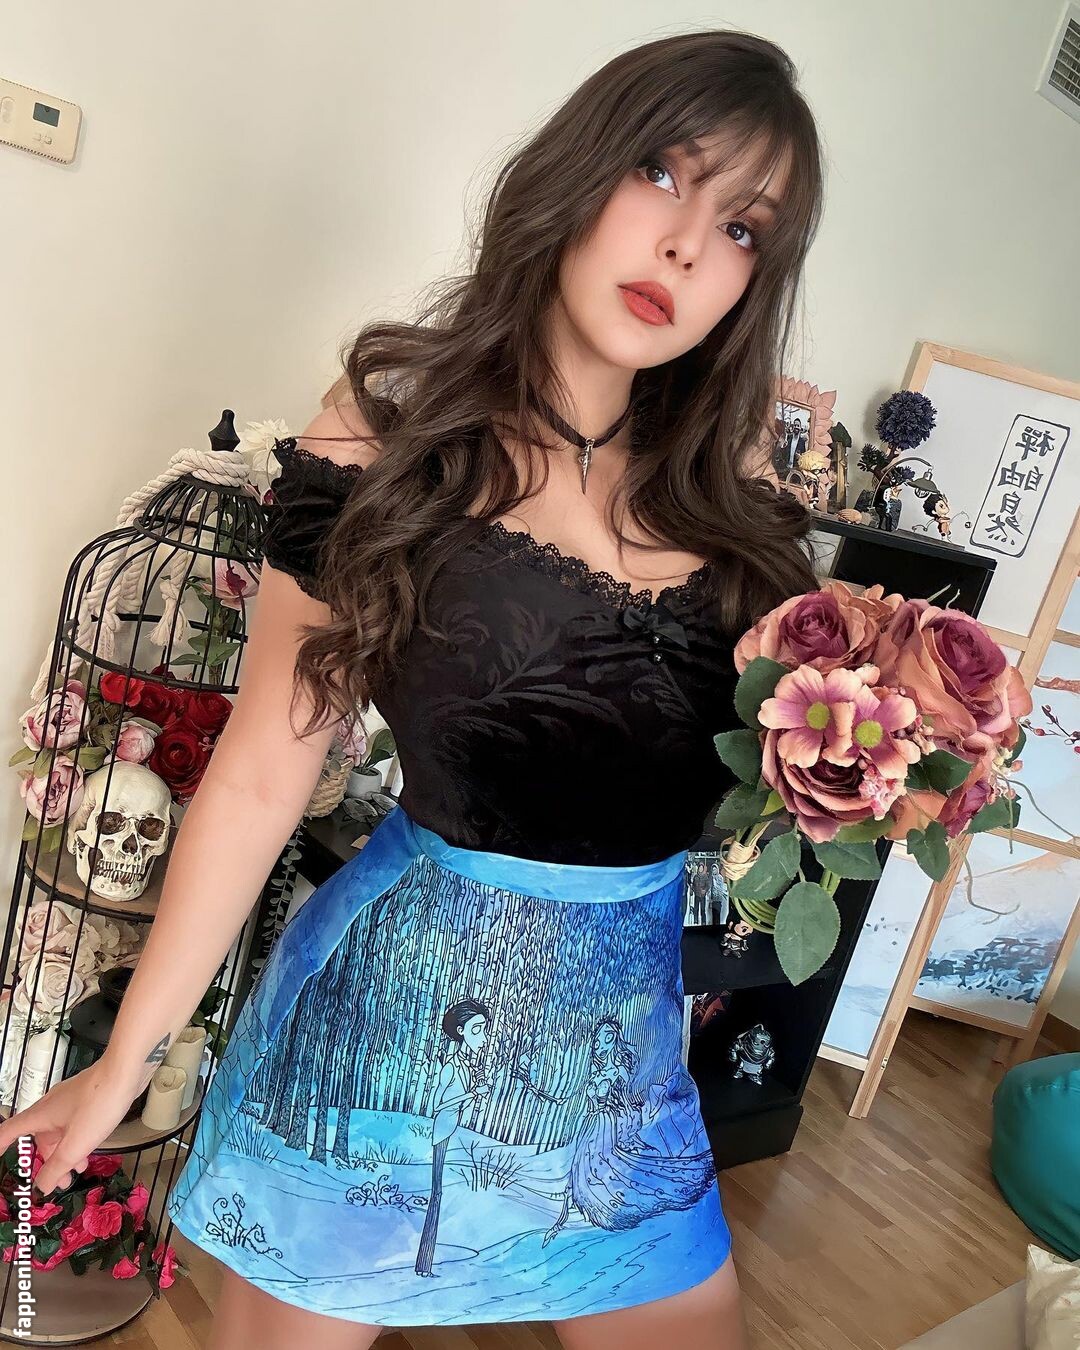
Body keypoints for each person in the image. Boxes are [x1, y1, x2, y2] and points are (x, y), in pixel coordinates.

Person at [0, 27, 823, 1350]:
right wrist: (120, 1065)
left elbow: (754, 798)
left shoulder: (740, 512)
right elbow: (264, 771)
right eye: (664, 173)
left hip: (618, 1082)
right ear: (582, 167)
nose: (685, 246)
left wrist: (887, 755)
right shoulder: (389, 430)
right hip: (373, 1048)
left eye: (741, 228)